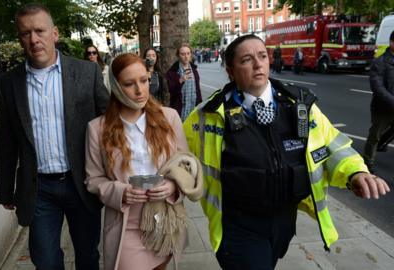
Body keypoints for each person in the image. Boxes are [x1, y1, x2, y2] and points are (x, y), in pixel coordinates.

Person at [183, 34, 390, 270]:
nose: (258, 64)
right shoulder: (207, 115)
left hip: (284, 223)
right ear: (230, 70)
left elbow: (333, 146)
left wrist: (356, 173)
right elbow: (177, 156)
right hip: (238, 227)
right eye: (247, 60)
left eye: (262, 56)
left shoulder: (299, 106)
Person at [0, 3, 109, 270]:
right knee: (45, 261)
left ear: (54, 33)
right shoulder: (8, 83)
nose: (33, 39)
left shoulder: (85, 72)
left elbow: (110, 124)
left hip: (81, 181)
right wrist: (5, 189)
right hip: (39, 189)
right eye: (25, 33)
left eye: (39, 31)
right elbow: (6, 139)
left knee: (88, 255)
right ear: (19, 38)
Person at [85, 53, 199, 270]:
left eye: (144, 81)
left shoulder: (170, 117)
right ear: (116, 87)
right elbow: (94, 179)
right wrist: (120, 192)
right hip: (126, 222)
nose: (140, 91)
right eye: (129, 84)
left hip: (164, 216)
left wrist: (173, 186)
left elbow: (185, 164)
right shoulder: (97, 128)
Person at [363, 30, 394, 172]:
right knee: (375, 135)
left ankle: (383, 142)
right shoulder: (380, 62)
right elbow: (378, 87)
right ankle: (367, 163)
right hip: (382, 108)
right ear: (392, 43)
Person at [166, 43, 202, 121]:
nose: (186, 57)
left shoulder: (194, 70)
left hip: (193, 109)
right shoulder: (173, 72)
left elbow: (198, 90)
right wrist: (180, 80)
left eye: (188, 53)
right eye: (183, 54)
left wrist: (200, 106)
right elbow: (171, 90)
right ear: (178, 55)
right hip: (179, 110)